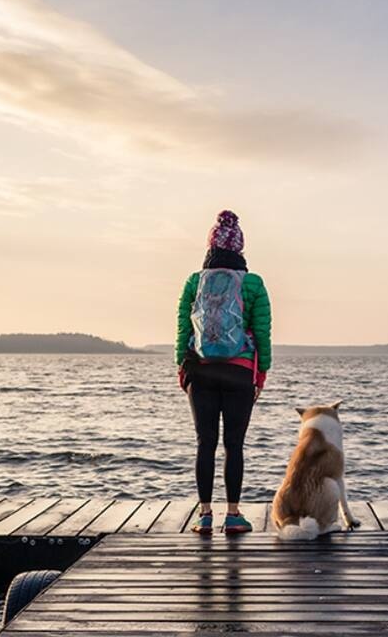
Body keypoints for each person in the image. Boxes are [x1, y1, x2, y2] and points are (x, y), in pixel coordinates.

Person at [176, 210, 272, 534]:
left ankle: (204, 516)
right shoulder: (254, 284)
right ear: (240, 248)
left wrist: (181, 367)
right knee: (234, 444)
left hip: (201, 372)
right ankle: (233, 515)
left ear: (210, 245)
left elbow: (181, 327)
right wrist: (261, 374)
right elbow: (262, 332)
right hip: (240, 372)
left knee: (205, 443)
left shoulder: (194, 281)